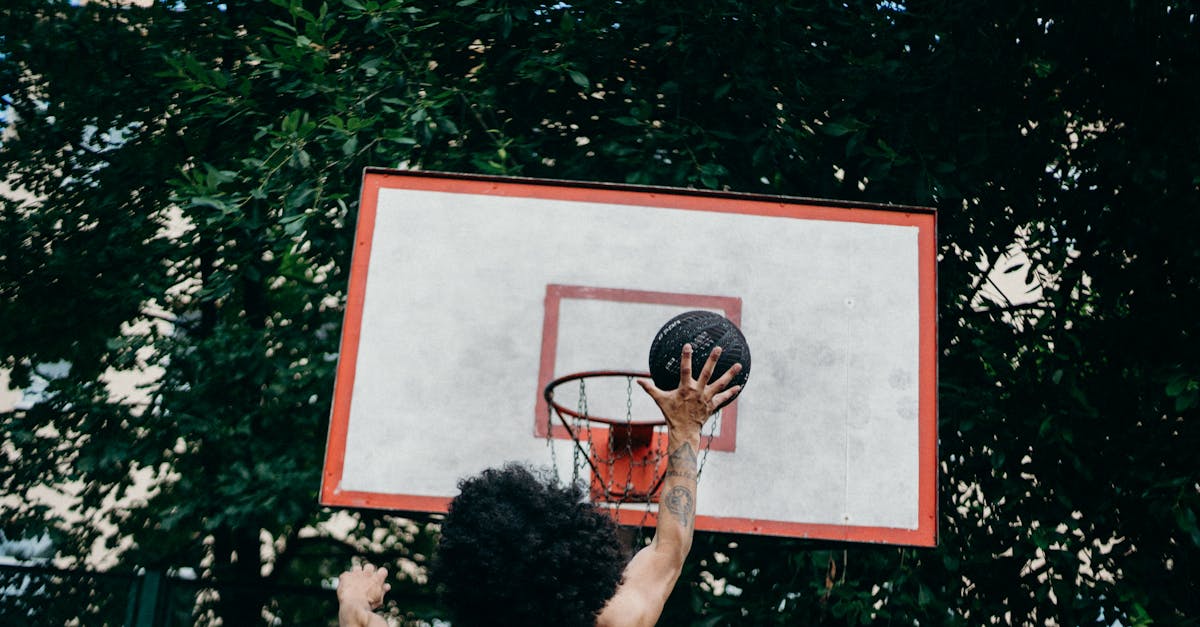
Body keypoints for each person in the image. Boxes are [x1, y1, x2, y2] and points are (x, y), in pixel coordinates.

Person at [336, 344, 742, 627]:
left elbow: (357, 619)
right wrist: (686, 428)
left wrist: (356, 595)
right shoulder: (616, 621)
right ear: (579, 563)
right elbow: (669, 550)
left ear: (467, 580)